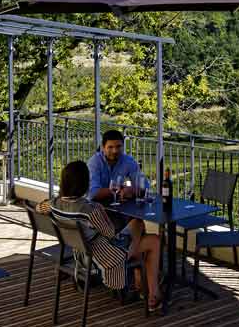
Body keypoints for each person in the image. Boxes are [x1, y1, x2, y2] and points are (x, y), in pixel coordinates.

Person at [52, 161, 163, 311]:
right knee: (154, 241)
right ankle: (152, 295)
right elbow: (110, 233)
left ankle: (140, 285)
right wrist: (102, 213)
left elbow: (41, 206)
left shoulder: (55, 204)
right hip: (105, 256)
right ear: (85, 183)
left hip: (81, 254)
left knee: (138, 224)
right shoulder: (90, 209)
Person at [87, 129, 146, 259]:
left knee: (137, 223)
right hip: (98, 215)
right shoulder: (94, 163)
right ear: (103, 147)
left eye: (118, 146)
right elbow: (93, 193)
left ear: (123, 146)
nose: (115, 150)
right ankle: (127, 259)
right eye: (110, 147)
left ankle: (135, 264)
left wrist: (130, 188)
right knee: (138, 225)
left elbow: (143, 185)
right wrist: (119, 189)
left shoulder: (128, 161)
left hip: (119, 211)